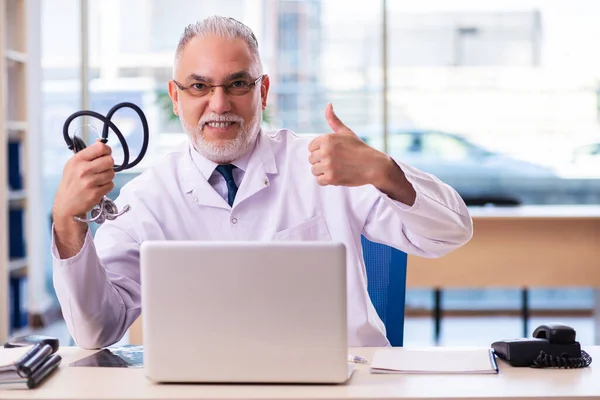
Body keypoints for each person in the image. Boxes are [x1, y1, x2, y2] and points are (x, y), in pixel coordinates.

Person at [51, 16, 473, 350]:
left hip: (344, 383)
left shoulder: (327, 163)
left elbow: (451, 233)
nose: (219, 104)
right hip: (205, 388)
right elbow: (96, 332)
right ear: (176, 96)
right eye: (199, 86)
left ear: (263, 91)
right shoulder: (148, 197)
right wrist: (69, 224)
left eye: (237, 84)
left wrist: (386, 172)